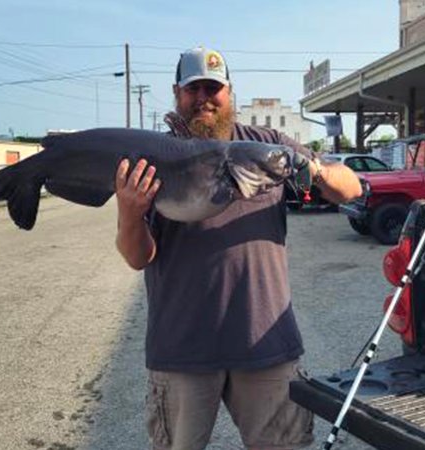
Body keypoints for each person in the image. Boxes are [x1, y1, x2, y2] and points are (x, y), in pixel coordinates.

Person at [114, 46, 362, 450]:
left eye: (213, 88)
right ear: (176, 93)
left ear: (229, 93)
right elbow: (137, 257)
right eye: (193, 89)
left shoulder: (268, 146)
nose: (203, 99)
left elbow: (349, 187)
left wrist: (312, 170)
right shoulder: (154, 157)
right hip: (182, 349)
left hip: (266, 344)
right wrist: (129, 212)